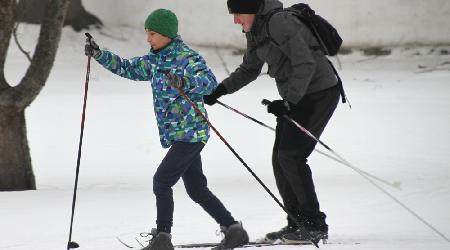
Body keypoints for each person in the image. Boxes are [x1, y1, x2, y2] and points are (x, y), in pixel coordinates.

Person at [84, 8, 249, 250]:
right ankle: (234, 229)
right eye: (147, 33)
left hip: (192, 133)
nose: (148, 38)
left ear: (167, 34)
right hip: (178, 135)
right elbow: (128, 68)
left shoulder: (187, 58)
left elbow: (210, 84)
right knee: (196, 189)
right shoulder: (153, 60)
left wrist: (184, 81)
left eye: (152, 34)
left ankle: (163, 238)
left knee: (161, 182)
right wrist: (99, 55)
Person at [204, 0, 341, 244]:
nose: (236, 20)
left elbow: (306, 62)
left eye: (238, 13)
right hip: (299, 95)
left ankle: (314, 225)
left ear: (253, 9)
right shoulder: (256, 29)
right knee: (281, 158)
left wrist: (289, 102)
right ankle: (297, 223)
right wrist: (221, 90)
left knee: (291, 155)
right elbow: (250, 68)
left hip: (319, 92)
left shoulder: (280, 22)